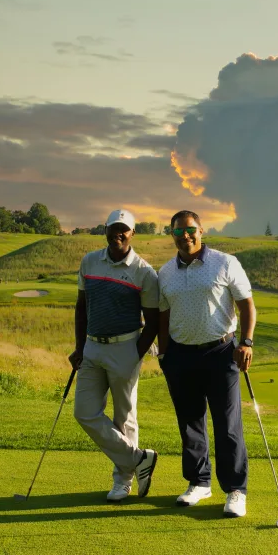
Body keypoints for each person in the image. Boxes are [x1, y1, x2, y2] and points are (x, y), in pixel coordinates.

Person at [157, 210, 256, 518]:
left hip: (221, 352)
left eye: (190, 230)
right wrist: (164, 352)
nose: (185, 236)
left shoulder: (225, 263)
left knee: (227, 425)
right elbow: (162, 314)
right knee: (189, 423)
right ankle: (199, 482)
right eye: (178, 232)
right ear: (171, 235)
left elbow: (247, 305)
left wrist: (246, 342)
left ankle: (235, 490)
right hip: (180, 355)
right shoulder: (165, 272)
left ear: (201, 231)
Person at [69, 209, 159, 502]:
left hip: (125, 347)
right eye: (113, 228)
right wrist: (79, 346)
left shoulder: (144, 272)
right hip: (93, 347)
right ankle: (138, 459)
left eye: (124, 229)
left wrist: (135, 353)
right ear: (104, 230)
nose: (118, 233)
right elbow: (81, 308)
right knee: (83, 411)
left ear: (133, 234)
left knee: (124, 416)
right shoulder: (90, 261)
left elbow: (153, 321)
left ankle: (123, 481)